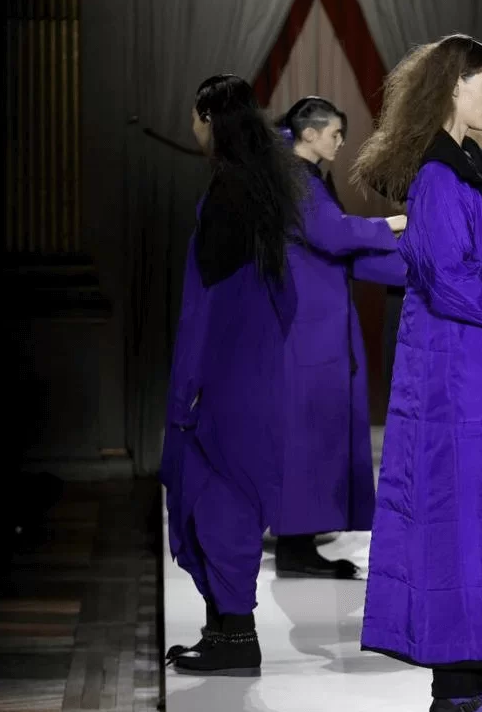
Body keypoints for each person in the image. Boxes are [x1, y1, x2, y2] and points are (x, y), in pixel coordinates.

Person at [348, 34, 482, 712]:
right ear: (450, 89)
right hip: (457, 376)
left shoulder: (470, 169)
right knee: (463, 522)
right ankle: (456, 694)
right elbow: (450, 281)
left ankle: (479, 680)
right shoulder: (440, 178)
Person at [160, 74, 305, 676]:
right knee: (228, 489)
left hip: (222, 366)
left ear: (207, 119)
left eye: (194, 118)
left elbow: (211, 300)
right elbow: (283, 296)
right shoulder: (261, 185)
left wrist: (192, 381)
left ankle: (236, 636)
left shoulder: (229, 192)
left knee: (215, 492)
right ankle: (224, 632)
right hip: (252, 365)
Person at [269, 96, 405, 578]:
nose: (341, 142)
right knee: (309, 431)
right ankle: (296, 544)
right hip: (309, 325)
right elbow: (332, 235)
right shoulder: (295, 179)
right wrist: (394, 223)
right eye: (335, 134)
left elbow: (336, 244)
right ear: (309, 133)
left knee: (316, 430)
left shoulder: (303, 177)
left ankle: (300, 539)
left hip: (317, 320)